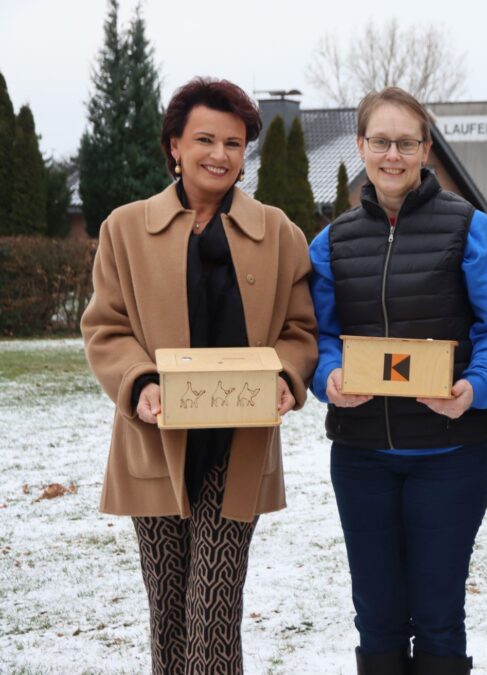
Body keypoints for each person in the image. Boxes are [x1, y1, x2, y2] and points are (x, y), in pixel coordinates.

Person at [81, 77, 318, 673]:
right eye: (205, 139)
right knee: (166, 613)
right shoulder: (124, 229)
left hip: (238, 442)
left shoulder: (281, 234)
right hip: (154, 442)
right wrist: (141, 383)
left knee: (211, 614)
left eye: (234, 143)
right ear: (175, 147)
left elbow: (299, 328)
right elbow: (105, 328)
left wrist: (289, 376)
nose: (220, 155)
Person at [308, 86, 487, 675]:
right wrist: (328, 378)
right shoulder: (330, 243)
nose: (393, 155)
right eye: (381, 141)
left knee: (437, 612)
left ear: (426, 149)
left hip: (450, 455)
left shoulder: (470, 229)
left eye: (406, 142)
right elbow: (318, 336)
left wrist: (473, 390)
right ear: (361, 147)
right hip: (362, 456)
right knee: (376, 614)